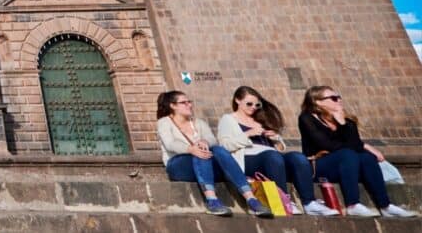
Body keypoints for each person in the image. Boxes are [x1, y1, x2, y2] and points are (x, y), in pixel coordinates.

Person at [217, 85, 337, 216]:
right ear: (237, 100)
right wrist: (248, 134)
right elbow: (225, 145)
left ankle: (309, 203)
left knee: (298, 157)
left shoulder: (260, 119)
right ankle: (284, 200)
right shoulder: (228, 119)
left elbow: (279, 149)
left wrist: (275, 139)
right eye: (249, 103)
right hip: (248, 157)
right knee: (272, 156)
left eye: (257, 105)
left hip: (272, 156)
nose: (253, 107)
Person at [298, 86, 416, 218]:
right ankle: (352, 204)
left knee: (366, 157)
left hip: (348, 165)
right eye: (333, 98)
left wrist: (342, 123)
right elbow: (326, 144)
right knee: (347, 154)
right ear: (318, 102)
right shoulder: (307, 118)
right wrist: (355, 144)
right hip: (321, 166)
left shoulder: (348, 122)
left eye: (339, 97)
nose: (339, 100)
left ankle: (385, 205)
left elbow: (356, 145)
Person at [156, 90, 272, 218]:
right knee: (200, 152)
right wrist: (191, 148)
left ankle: (251, 199)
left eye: (190, 102)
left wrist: (204, 141)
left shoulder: (199, 122)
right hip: (178, 165)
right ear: (173, 106)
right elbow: (170, 144)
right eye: (184, 102)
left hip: (203, 164)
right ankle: (212, 201)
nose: (189, 105)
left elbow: (212, 140)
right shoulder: (164, 122)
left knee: (218, 149)